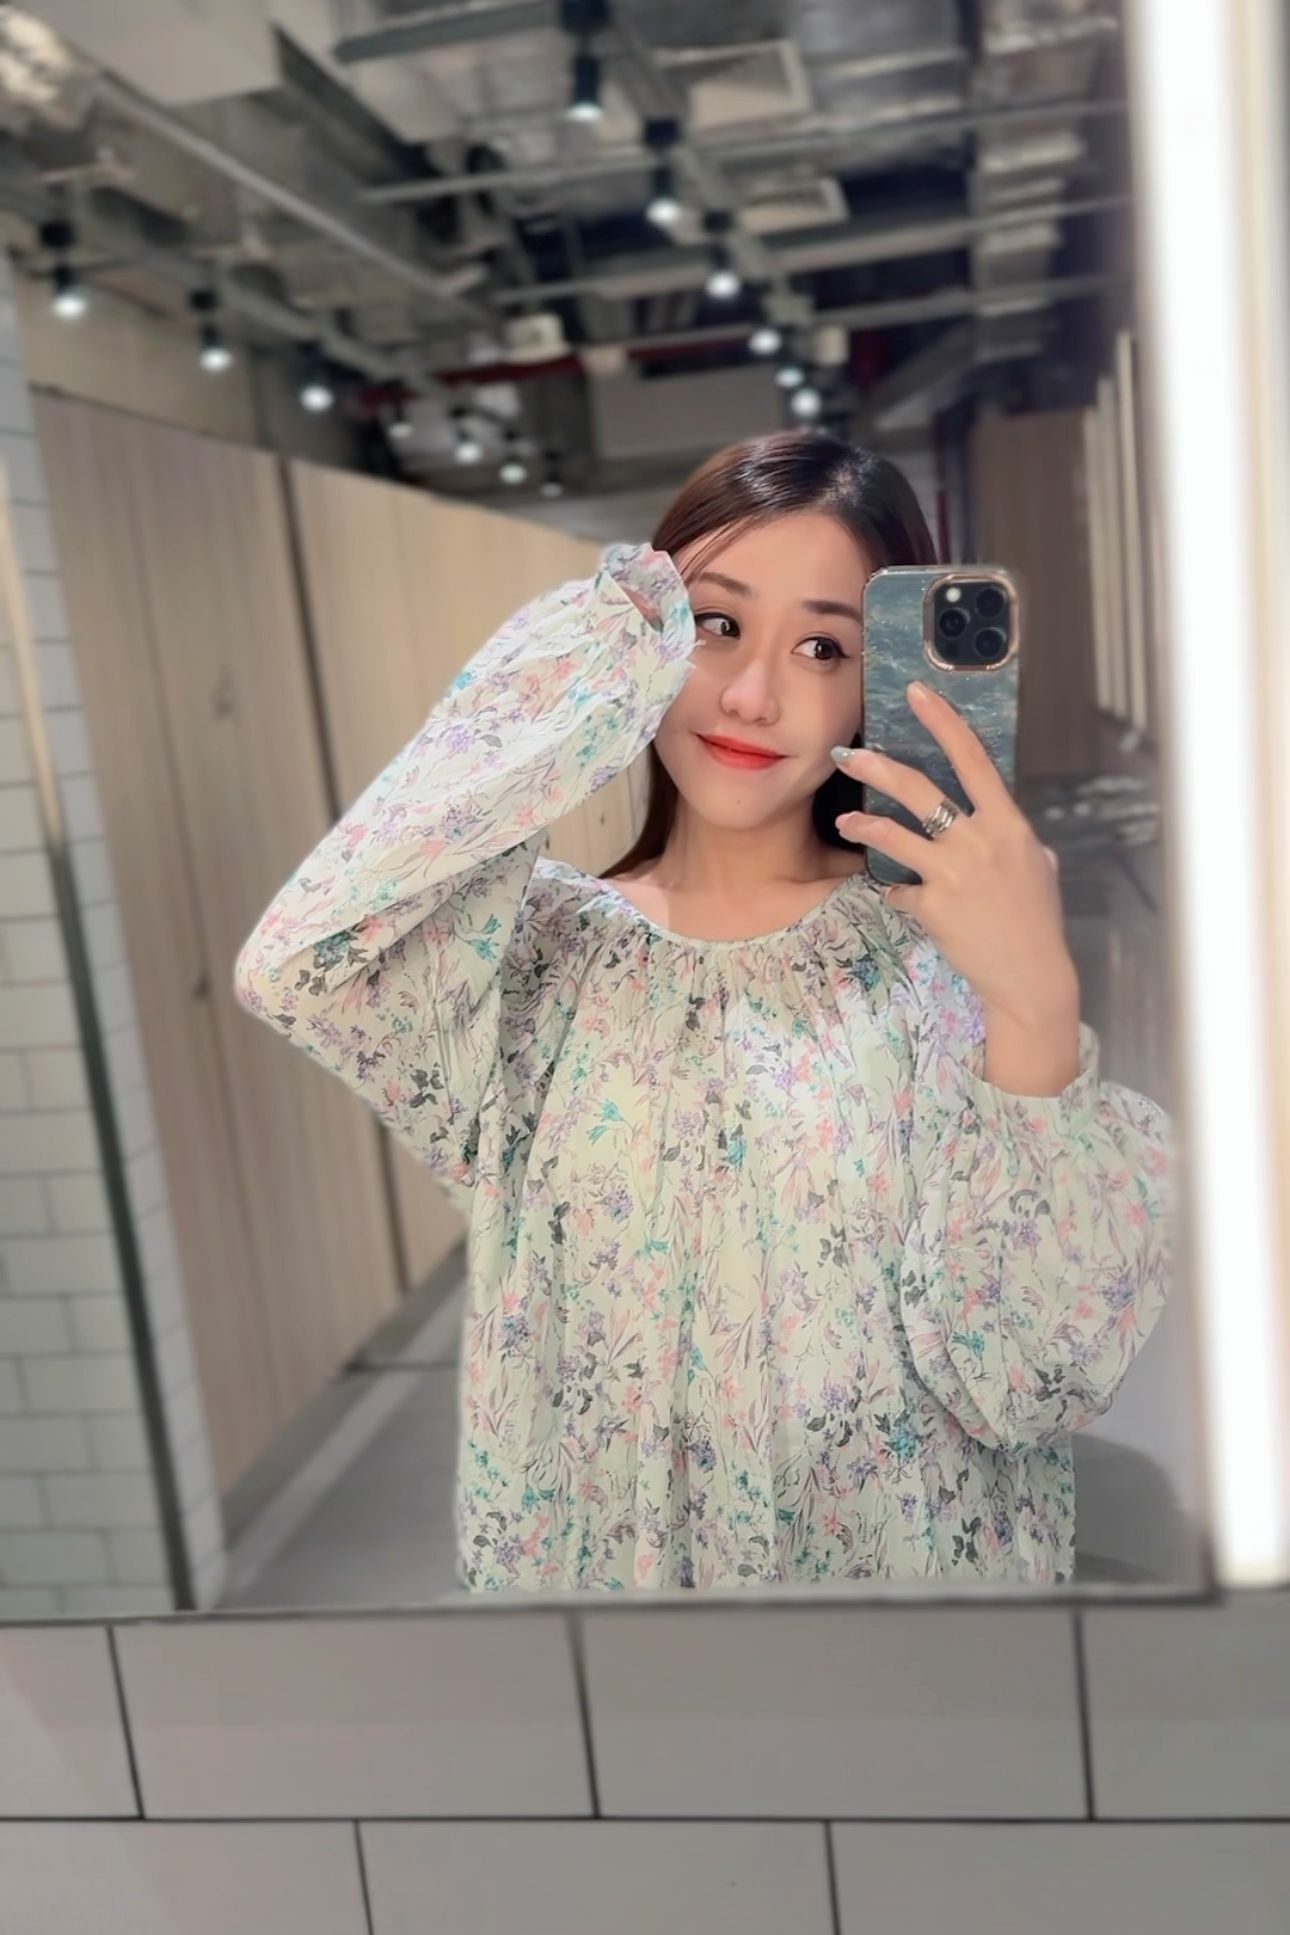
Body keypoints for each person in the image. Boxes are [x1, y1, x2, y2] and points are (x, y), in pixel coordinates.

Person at [234, 428, 1174, 1592]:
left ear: (876, 684)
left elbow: (1034, 1378)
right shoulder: (529, 964)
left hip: (911, 1657)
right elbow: (300, 966)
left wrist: (1035, 1002)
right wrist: (587, 653)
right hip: (617, 1658)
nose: (751, 694)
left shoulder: (941, 963)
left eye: (823, 646)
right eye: (716, 624)